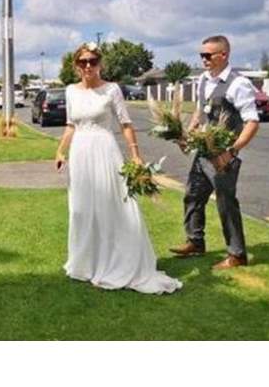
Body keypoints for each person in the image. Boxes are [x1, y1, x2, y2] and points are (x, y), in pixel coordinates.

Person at [55, 42, 182, 295]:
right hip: (80, 154)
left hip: (104, 151)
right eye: (82, 62)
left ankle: (115, 262)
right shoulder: (70, 91)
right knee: (81, 209)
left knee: (110, 207)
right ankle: (86, 263)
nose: (88, 66)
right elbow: (71, 125)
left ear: (100, 64)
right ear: (76, 65)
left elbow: (125, 123)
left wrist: (135, 155)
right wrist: (60, 150)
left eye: (92, 61)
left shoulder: (112, 89)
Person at [170, 35, 260, 269]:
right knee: (192, 195)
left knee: (225, 203)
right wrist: (189, 133)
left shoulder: (239, 84)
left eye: (208, 55)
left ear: (224, 55)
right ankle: (195, 242)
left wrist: (232, 151)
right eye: (202, 55)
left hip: (223, 156)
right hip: (203, 152)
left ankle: (237, 255)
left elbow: (252, 122)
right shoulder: (203, 80)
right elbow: (200, 111)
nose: (204, 59)